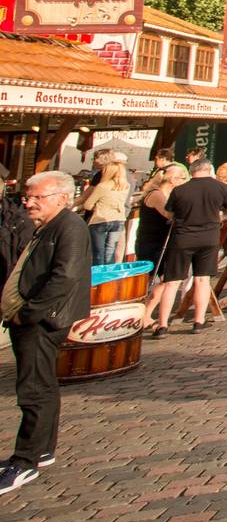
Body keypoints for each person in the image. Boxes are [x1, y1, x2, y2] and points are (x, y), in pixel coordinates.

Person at [0, 172, 92, 495]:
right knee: (43, 384)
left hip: (41, 321)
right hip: (36, 318)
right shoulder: (51, 226)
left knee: (33, 389)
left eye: (37, 197)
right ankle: (41, 450)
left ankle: (25, 461)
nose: (29, 202)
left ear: (61, 198)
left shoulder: (69, 226)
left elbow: (65, 276)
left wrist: (29, 312)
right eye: (28, 196)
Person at [154, 159, 227, 335]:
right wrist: (219, 216)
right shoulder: (220, 187)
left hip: (182, 238)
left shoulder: (180, 190)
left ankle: (162, 325)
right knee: (202, 280)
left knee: (172, 282)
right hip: (209, 237)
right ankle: (199, 321)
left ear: (191, 171)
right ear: (208, 170)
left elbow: (169, 213)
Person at [136, 163, 188, 327]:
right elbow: (169, 214)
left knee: (165, 279)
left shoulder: (165, 193)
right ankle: (141, 315)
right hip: (151, 242)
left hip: (160, 241)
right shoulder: (157, 194)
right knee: (151, 280)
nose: (184, 181)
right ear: (173, 180)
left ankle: (146, 314)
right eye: (182, 178)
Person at [79, 159, 130, 265]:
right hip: (118, 219)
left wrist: (96, 207)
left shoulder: (102, 186)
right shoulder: (125, 186)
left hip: (100, 219)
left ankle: (99, 274)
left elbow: (87, 205)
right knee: (110, 251)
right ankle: (109, 273)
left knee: (98, 252)